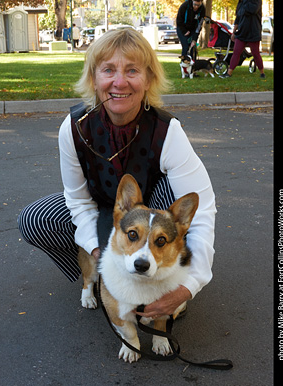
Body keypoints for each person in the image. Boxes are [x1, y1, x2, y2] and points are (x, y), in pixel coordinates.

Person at [18, 29, 216, 319]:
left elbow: (202, 213)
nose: (119, 82)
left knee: (178, 199)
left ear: (148, 79)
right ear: (94, 78)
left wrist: (188, 286)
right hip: (102, 208)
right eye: (108, 70)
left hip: (152, 211)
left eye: (132, 70)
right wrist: (99, 253)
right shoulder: (74, 128)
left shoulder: (167, 131)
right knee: (36, 220)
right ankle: (101, 279)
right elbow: (78, 201)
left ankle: (164, 276)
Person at [220, 0, 265, 79]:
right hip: (241, 32)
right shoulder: (241, 2)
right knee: (236, 52)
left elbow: (252, 10)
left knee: (255, 53)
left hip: (253, 32)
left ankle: (262, 73)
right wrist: (233, 32)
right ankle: (229, 73)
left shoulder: (256, 2)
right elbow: (238, 18)